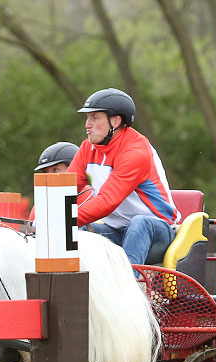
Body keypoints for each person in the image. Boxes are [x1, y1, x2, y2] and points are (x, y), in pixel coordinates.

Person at [66, 88, 180, 264]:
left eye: (94, 118)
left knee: (139, 223)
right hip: (117, 231)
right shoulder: (87, 148)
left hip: (157, 232)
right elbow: (64, 189)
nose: (87, 125)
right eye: (87, 118)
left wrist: (63, 219)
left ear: (116, 121)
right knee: (75, 229)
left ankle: (129, 285)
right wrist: (45, 217)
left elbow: (106, 202)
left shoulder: (135, 152)